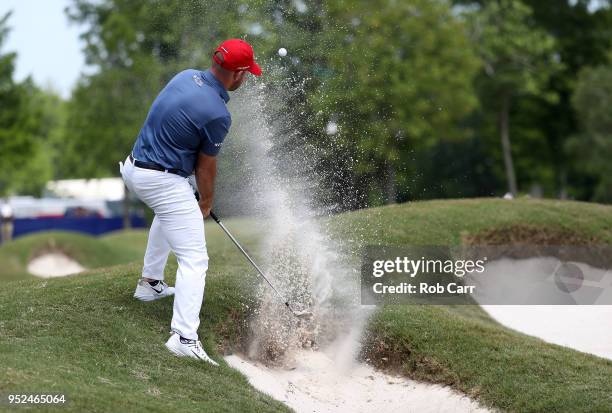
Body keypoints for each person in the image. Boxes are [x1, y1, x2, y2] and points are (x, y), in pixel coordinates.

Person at [119, 39, 261, 365]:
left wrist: (189, 186)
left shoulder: (184, 76)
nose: (247, 78)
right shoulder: (218, 114)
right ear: (237, 74)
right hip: (159, 177)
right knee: (195, 259)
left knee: (171, 210)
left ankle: (150, 284)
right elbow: (205, 165)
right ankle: (184, 337)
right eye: (247, 73)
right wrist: (206, 201)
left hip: (134, 167)